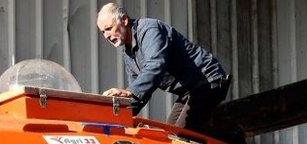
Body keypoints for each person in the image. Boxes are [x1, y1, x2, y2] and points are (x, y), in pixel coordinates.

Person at [96, 2, 230, 134]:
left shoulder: (149, 29)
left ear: (124, 20)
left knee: (178, 136)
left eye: (109, 28)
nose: (106, 36)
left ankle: (231, 135)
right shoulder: (129, 54)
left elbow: (156, 64)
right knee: (169, 133)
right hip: (189, 91)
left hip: (208, 81)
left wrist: (129, 92)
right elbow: (139, 92)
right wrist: (116, 119)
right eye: (103, 32)